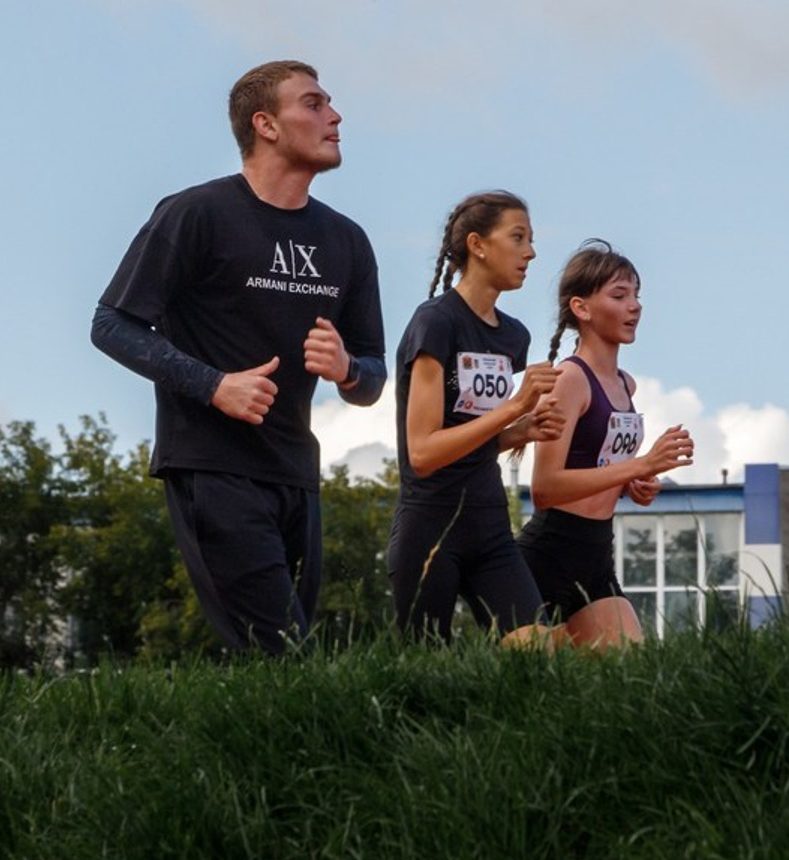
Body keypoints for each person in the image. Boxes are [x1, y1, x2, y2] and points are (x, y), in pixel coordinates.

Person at [90, 60, 386, 654]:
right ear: (266, 124)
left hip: (297, 472)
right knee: (283, 652)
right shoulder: (196, 213)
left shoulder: (347, 240)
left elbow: (374, 375)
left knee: (275, 663)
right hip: (212, 465)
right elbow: (113, 324)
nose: (335, 116)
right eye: (314, 103)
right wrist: (213, 385)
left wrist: (347, 368)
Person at [387, 190, 565, 645]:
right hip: (430, 525)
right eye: (518, 237)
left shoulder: (513, 337)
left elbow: (470, 437)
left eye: (532, 240)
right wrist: (514, 408)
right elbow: (424, 452)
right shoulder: (436, 322)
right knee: (422, 675)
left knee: (539, 651)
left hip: (488, 524)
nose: (531, 252)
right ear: (477, 245)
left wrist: (518, 432)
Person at [518, 240, 693, 647]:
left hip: (597, 555)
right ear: (581, 308)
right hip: (547, 556)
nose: (635, 306)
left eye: (637, 295)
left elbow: (599, 467)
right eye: (619, 295)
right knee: (532, 689)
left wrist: (633, 486)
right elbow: (544, 488)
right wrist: (640, 466)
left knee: (629, 684)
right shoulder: (570, 380)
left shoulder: (626, 385)